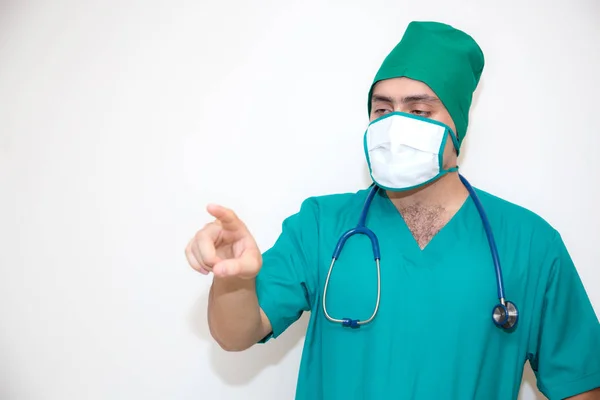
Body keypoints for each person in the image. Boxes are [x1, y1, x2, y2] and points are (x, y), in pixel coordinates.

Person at [185, 21, 600, 399]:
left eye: (419, 110)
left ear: (456, 126)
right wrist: (232, 280)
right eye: (382, 109)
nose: (395, 126)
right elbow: (236, 333)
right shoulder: (322, 225)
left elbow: (580, 383)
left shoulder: (529, 243)